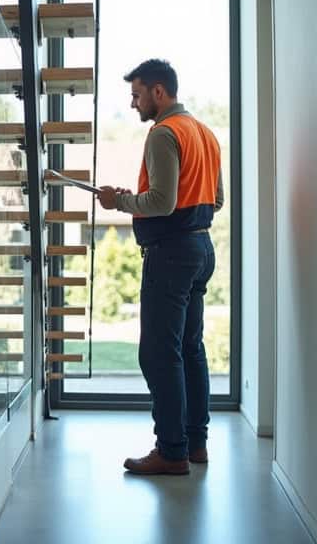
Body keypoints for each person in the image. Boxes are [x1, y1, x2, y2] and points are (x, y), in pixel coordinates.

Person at [98, 59, 224, 475]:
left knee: (158, 353)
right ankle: (195, 444)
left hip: (170, 254)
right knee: (191, 348)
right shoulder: (204, 134)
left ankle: (171, 451)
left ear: (158, 92)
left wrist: (120, 202)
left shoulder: (163, 134)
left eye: (136, 95)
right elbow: (216, 199)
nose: (133, 104)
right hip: (201, 249)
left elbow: (162, 203)